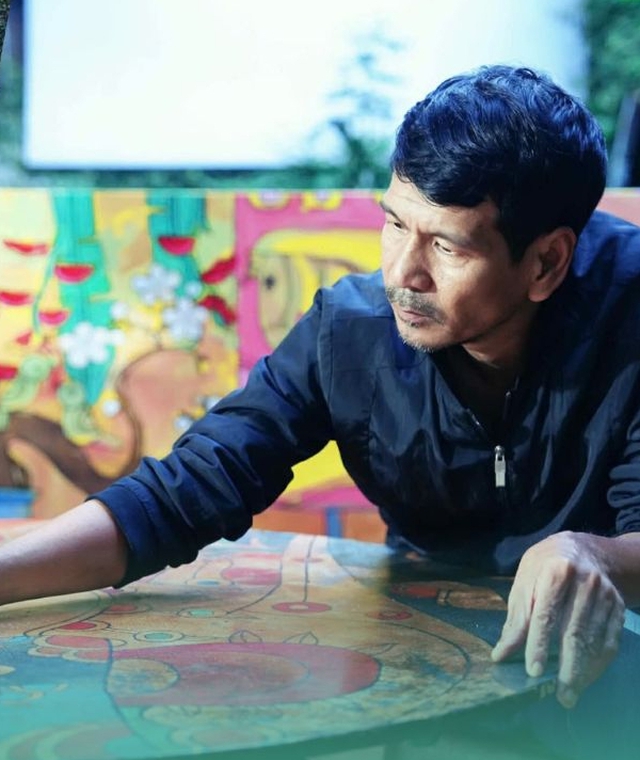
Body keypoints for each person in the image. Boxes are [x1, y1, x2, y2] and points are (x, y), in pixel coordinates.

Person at [0, 64, 638, 716]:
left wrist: (599, 555)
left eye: (447, 247)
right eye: (395, 224)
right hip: (428, 661)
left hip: (612, 660)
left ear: (546, 262)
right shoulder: (351, 333)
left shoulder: (631, 316)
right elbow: (183, 492)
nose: (403, 273)